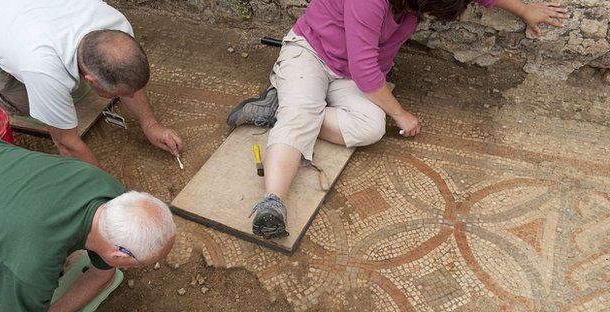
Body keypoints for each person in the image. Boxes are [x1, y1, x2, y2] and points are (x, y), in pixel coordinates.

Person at [226, 0, 569, 239]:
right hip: (312, 53)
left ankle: (279, 107)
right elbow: (365, 70)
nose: (428, 16)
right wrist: (401, 114)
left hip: (350, 75)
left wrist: (525, 10)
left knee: (370, 128)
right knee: (301, 116)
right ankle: (273, 202)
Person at [0, 132, 176, 312]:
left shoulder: (108, 192)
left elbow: (102, 274)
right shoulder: (33, 263)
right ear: (119, 256)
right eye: (140, 264)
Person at [0, 0, 183, 167]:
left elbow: (129, 80)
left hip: (23, 15)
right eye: (122, 93)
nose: (130, 96)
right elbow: (66, 143)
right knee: (31, 104)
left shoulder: (117, 28)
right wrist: (110, 195)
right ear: (91, 80)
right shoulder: (42, 68)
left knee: (67, 96)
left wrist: (150, 124)